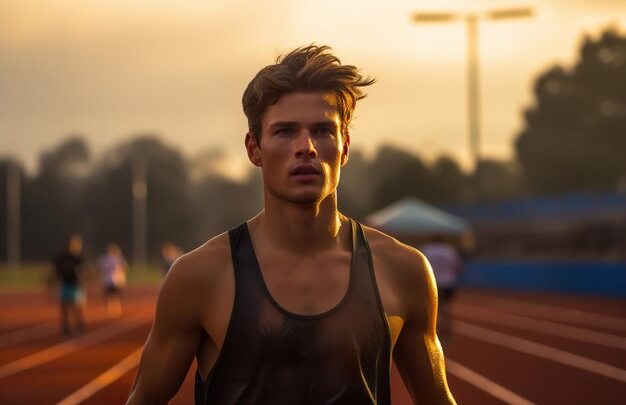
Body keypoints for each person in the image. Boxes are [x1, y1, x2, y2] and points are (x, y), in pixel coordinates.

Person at [127, 45, 457, 405]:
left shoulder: (403, 270)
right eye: (285, 132)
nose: (307, 147)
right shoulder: (199, 277)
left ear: (344, 147)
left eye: (322, 131)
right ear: (254, 148)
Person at [420, 234, 464, 344]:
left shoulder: (427, 250)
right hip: (449, 282)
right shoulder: (449, 251)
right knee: (446, 307)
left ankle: (435, 333)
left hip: (433, 282)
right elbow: (458, 267)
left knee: (433, 309)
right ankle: (447, 332)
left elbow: (420, 266)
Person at [50, 234, 87, 336]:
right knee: (64, 310)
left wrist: (82, 279)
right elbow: (55, 272)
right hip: (65, 285)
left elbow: (84, 272)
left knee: (77, 309)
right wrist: (51, 287)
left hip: (76, 287)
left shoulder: (79, 258)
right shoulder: (62, 257)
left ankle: (80, 328)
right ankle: (65, 331)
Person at [97, 243, 128, 317]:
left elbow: (125, 267)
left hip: (116, 280)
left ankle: (115, 308)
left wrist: (120, 271)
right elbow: (98, 268)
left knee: (115, 295)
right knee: (108, 295)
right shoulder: (104, 259)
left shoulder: (118, 258)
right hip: (107, 280)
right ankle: (110, 308)